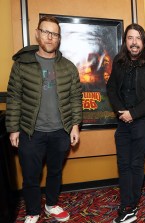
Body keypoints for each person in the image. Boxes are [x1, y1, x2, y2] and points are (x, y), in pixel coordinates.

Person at [5, 16, 82, 223]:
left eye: (54, 34)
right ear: (37, 33)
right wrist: (13, 129)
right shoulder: (22, 65)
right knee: (31, 176)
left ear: (59, 38)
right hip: (31, 132)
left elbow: (75, 98)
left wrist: (75, 126)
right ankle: (32, 210)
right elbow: (14, 97)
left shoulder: (68, 67)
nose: (50, 37)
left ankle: (51, 205)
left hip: (61, 132)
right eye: (46, 32)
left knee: (55, 172)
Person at [106, 23, 145, 223]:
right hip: (123, 120)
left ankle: (130, 206)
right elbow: (111, 88)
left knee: (135, 162)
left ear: (144, 41)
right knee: (123, 163)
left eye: (138, 38)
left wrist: (133, 113)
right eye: (130, 38)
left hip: (144, 120)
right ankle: (127, 202)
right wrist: (122, 112)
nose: (134, 42)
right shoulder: (119, 61)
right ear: (125, 42)